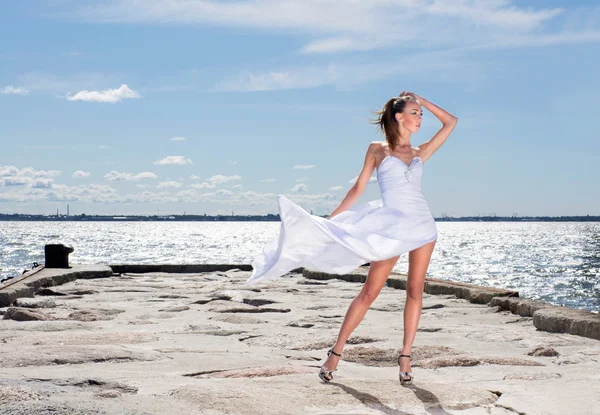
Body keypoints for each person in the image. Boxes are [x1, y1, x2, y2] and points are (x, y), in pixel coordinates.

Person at [248, 91, 458, 385]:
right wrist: (330, 222)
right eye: (414, 113)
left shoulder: (421, 152)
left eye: (420, 114)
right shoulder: (378, 150)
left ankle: (406, 357)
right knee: (370, 292)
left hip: (423, 226)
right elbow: (358, 188)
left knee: (415, 291)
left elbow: (451, 122)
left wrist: (421, 99)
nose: (420, 118)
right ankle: (336, 352)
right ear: (399, 117)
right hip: (391, 227)